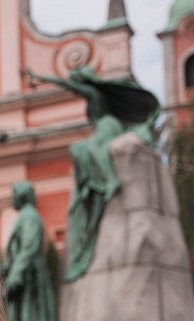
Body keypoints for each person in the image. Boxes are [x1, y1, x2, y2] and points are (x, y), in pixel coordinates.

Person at [22, 66, 160, 282]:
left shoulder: (93, 93)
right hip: (105, 127)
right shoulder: (95, 94)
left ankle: (110, 180)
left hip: (108, 126)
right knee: (81, 149)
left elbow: (67, 85)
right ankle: (96, 180)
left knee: (89, 148)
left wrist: (40, 77)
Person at [1, 180, 57, 321]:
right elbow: (15, 254)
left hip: (28, 280)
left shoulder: (30, 216)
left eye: (14, 195)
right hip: (25, 279)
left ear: (21, 196)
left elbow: (28, 249)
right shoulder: (25, 217)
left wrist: (15, 278)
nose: (12, 199)